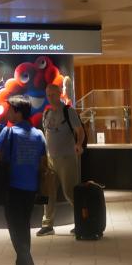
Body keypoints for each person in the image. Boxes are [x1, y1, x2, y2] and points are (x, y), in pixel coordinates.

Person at [0, 95, 46, 265]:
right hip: (31, 189)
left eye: (10, 110)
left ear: (18, 112)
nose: (7, 113)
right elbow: (43, 163)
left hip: (12, 188)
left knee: (15, 229)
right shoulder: (39, 134)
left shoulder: (8, 132)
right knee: (23, 227)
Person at [37, 82, 85, 236]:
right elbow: (47, 134)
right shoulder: (47, 113)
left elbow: (80, 130)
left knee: (70, 192)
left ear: (59, 94)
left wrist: (78, 144)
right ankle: (47, 225)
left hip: (67, 159)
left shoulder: (68, 111)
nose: (50, 97)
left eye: (53, 94)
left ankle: (82, 222)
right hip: (51, 160)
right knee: (48, 193)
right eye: (48, 95)